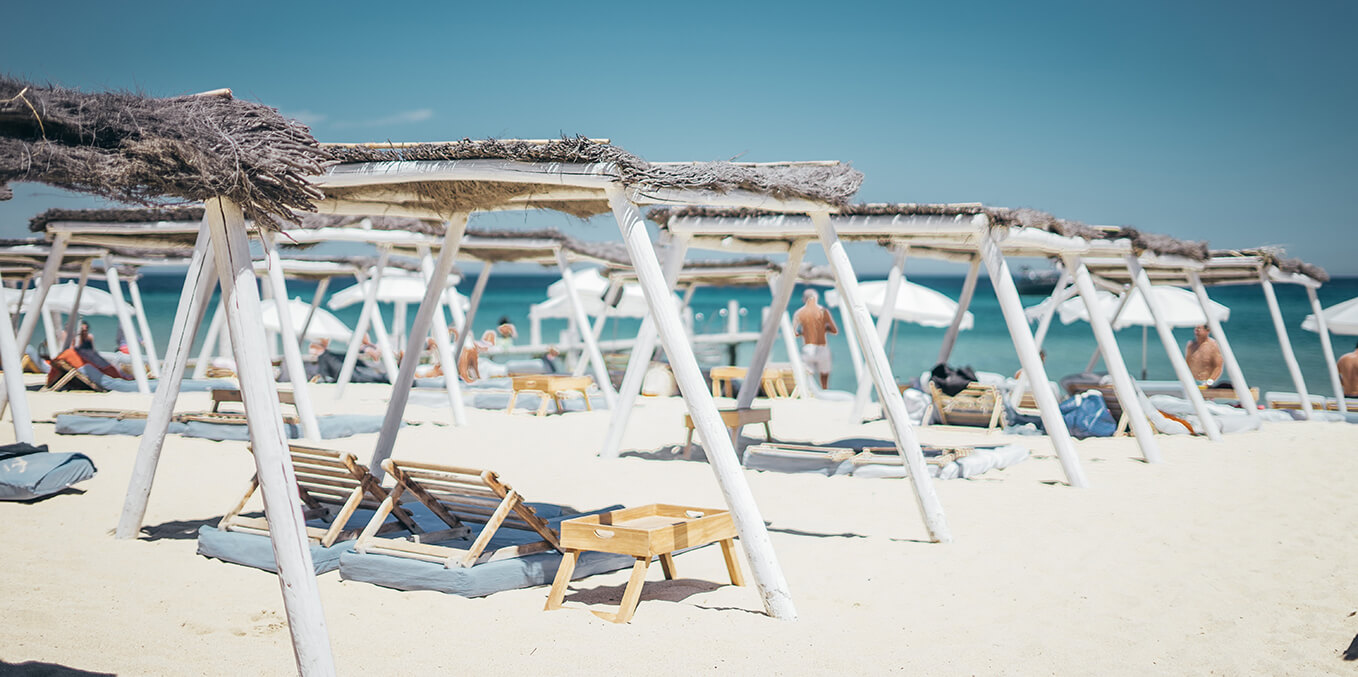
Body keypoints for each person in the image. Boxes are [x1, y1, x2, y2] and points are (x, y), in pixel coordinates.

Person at [793, 289, 838, 389]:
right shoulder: (823, 311)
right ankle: (824, 392)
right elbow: (834, 331)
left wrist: (804, 332)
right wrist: (824, 329)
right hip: (821, 346)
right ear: (816, 298)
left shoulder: (799, 313)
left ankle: (810, 395)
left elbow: (794, 333)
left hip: (807, 347)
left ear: (804, 299)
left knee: (808, 378)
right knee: (824, 375)